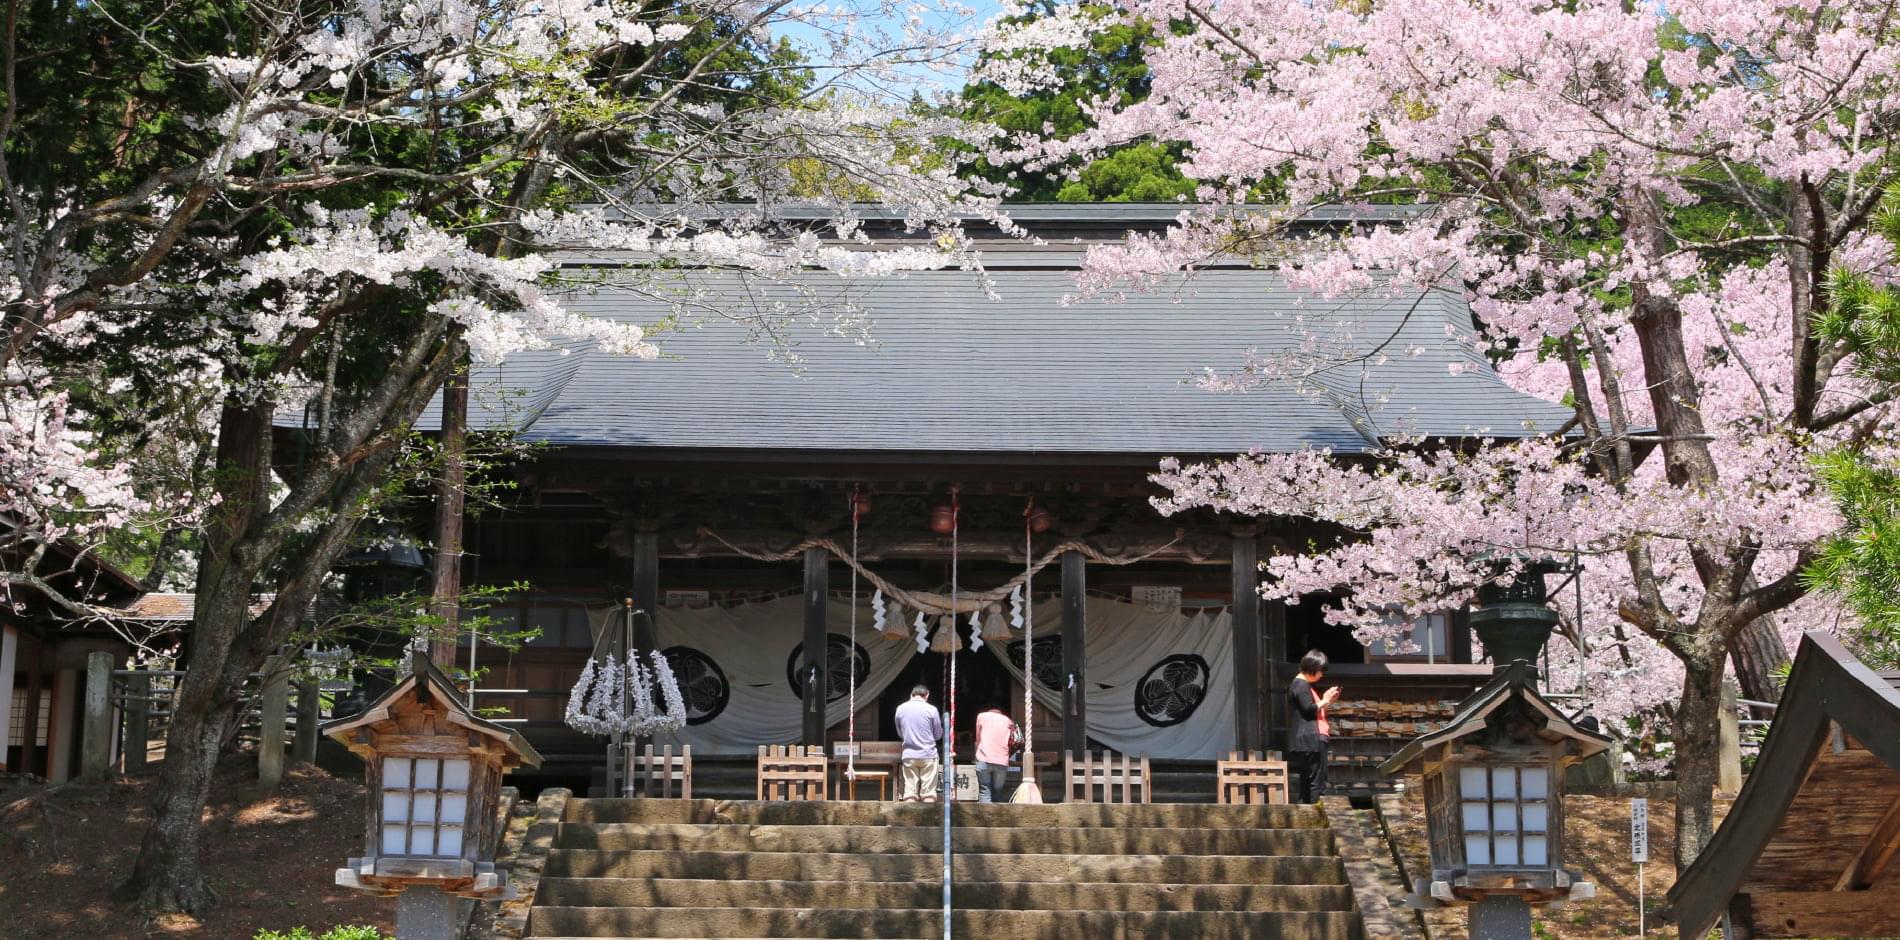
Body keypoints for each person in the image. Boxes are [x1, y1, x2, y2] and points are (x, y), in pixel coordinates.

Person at [1288, 649, 1340, 804]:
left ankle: (1307, 812)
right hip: (1311, 737)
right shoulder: (1300, 684)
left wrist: (1328, 701)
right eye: (1321, 671)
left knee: (1310, 777)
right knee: (1316, 779)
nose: (1321, 675)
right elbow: (1309, 709)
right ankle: (1314, 812)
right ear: (1312, 668)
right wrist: (1325, 699)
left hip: (1310, 737)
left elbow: (1312, 710)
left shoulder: (1303, 685)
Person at [894, 685, 943, 802]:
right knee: (929, 794)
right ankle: (928, 819)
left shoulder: (900, 708)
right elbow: (938, 735)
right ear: (927, 695)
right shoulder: (932, 709)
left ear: (911, 695)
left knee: (910, 793)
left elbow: (900, 732)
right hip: (928, 754)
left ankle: (910, 819)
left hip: (909, 754)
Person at [972, 704, 1021, 804]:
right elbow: (1013, 740)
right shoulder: (1008, 720)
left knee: (985, 791)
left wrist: (976, 754)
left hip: (984, 758)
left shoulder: (982, 716)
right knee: (998, 792)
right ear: (1000, 712)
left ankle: (986, 818)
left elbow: (978, 739)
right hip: (1001, 761)